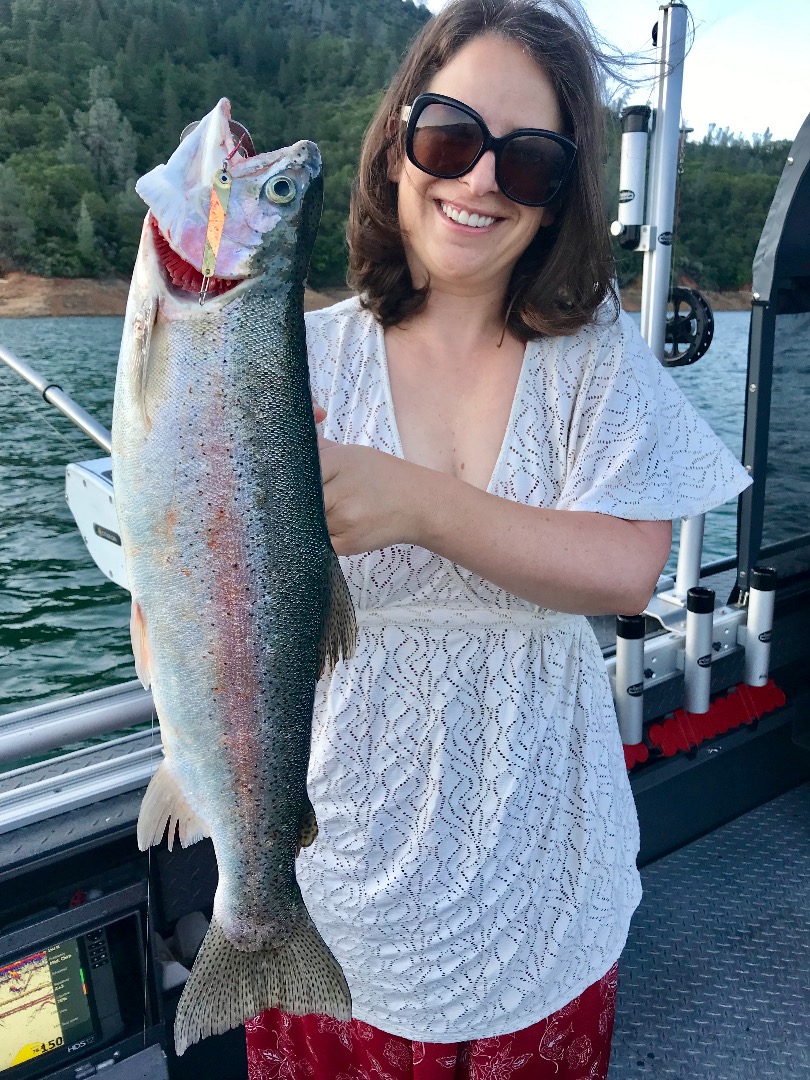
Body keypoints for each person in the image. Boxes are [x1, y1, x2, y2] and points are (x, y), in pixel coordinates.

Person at [246, 1, 750, 1076]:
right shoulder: (291, 356)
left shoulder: (596, 358)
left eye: (528, 162)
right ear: (397, 148)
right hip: (339, 876)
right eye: (450, 138)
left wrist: (418, 502)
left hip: (546, 879)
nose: (479, 181)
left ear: (560, 196)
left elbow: (626, 568)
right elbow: (199, 574)